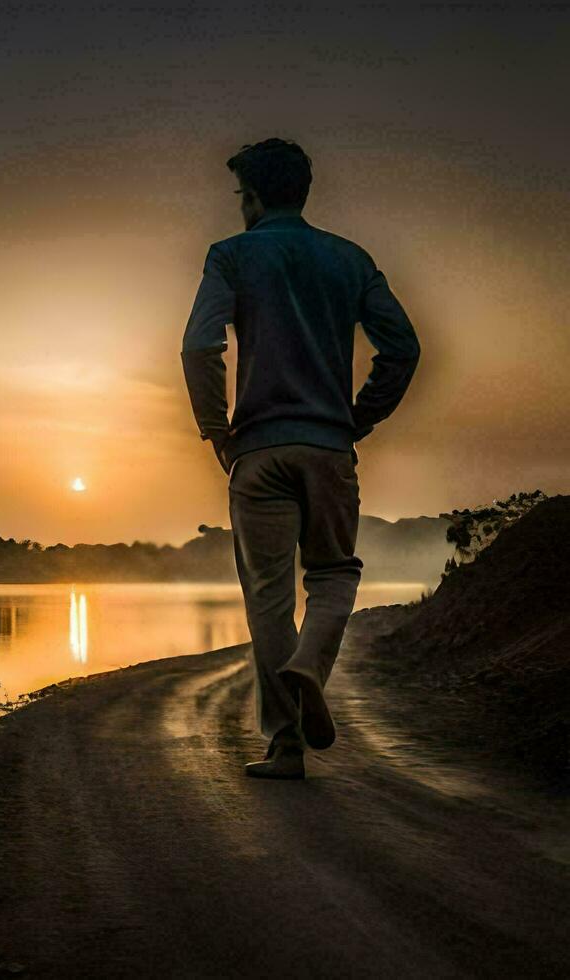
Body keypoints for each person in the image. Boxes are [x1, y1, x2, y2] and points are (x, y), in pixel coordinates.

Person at [181, 139, 420, 779]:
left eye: (240, 197)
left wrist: (215, 430)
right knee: (335, 574)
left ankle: (286, 744)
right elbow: (403, 348)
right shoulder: (349, 258)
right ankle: (310, 667)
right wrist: (357, 418)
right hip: (328, 447)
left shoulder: (230, 256)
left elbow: (199, 346)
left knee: (267, 597)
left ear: (253, 198)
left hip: (257, 450)